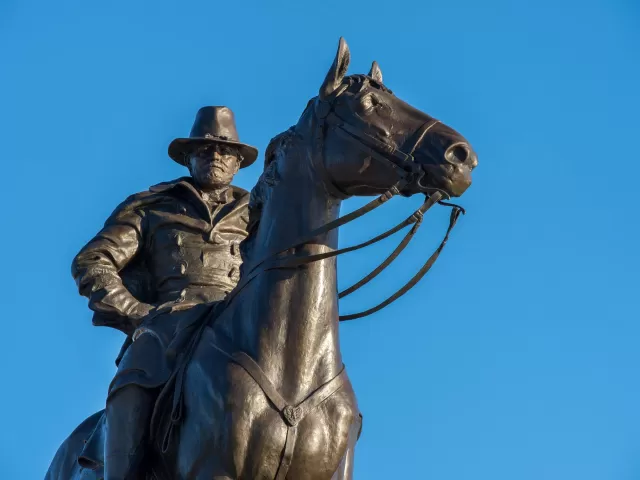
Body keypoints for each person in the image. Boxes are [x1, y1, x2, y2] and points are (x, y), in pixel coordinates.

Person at [71, 106, 257, 479]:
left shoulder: (258, 212)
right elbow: (93, 260)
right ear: (188, 157)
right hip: (168, 326)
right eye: (204, 149)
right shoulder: (151, 207)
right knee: (133, 382)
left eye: (224, 150)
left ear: (238, 160)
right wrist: (136, 310)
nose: (215, 157)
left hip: (240, 325)